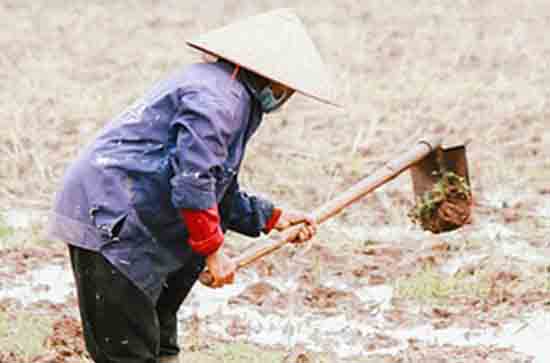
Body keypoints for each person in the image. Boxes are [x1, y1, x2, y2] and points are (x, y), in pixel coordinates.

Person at [49, 8, 337, 363]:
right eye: (287, 88)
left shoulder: (231, 95)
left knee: (160, 340)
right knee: (127, 352)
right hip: (113, 218)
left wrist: (272, 217)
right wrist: (214, 252)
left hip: (141, 215)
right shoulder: (218, 101)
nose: (286, 96)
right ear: (270, 78)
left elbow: (217, 185)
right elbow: (193, 181)